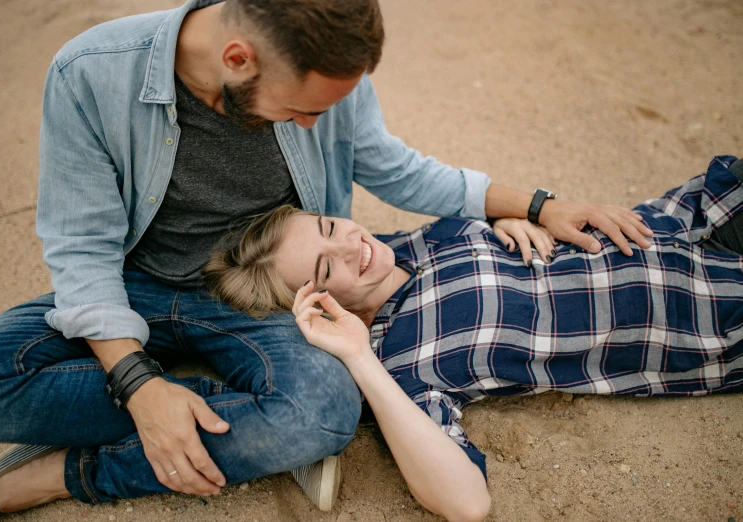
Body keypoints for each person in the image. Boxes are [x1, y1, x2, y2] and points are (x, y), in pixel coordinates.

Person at [0, 0, 654, 519]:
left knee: (319, 410)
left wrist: (534, 204)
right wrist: (140, 388)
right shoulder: (89, 75)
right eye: (299, 112)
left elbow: (394, 168)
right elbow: (80, 249)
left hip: (262, 296)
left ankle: (59, 473)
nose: (317, 128)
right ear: (237, 60)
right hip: (129, 284)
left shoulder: (320, 76)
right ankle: (214, 414)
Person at [203, 156, 743, 521]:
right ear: (320, 305)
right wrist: (357, 356)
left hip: (686, 217)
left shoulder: (407, 241)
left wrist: (506, 223)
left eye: (328, 226)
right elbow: (466, 503)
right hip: (708, 308)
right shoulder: (402, 362)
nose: (351, 246)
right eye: (325, 271)